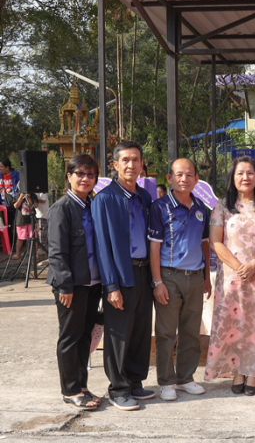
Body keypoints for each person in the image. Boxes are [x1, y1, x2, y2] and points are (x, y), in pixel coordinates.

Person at [204, 155, 255, 396]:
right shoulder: (222, 205)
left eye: (250, 173)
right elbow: (215, 241)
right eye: (240, 173)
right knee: (235, 324)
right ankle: (238, 371)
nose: (245, 177)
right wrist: (239, 266)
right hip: (232, 277)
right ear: (232, 178)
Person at [92, 140, 154, 411]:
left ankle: (135, 381)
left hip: (144, 272)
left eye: (136, 160)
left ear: (142, 164)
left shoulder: (145, 196)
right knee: (119, 334)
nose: (131, 165)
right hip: (120, 274)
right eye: (125, 160)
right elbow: (102, 247)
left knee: (140, 330)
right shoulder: (104, 199)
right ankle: (118, 389)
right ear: (115, 165)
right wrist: (111, 286)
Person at [148, 158, 211, 402]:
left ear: (197, 179)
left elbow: (205, 244)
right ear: (170, 178)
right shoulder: (160, 207)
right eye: (179, 175)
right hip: (169, 276)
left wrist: (206, 277)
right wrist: (157, 281)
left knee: (191, 331)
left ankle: (185, 378)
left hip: (195, 277)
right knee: (165, 332)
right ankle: (166, 381)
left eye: (189, 174)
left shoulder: (201, 208)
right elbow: (154, 247)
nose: (184, 179)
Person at [47, 154, 102, 410]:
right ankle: (70, 390)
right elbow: (57, 252)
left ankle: (82, 385)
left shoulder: (91, 205)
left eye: (90, 174)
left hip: (93, 284)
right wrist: (65, 285)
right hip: (73, 286)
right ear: (68, 176)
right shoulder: (62, 208)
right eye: (80, 173)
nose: (85, 179)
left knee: (83, 337)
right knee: (69, 337)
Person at [12, 188, 38, 260]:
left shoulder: (33, 195)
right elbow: (15, 206)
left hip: (31, 220)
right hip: (21, 220)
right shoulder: (17, 195)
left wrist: (28, 198)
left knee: (33, 237)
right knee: (20, 238)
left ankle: (34, 254)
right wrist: (21, 197)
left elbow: (35, 206)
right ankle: (17, 254)